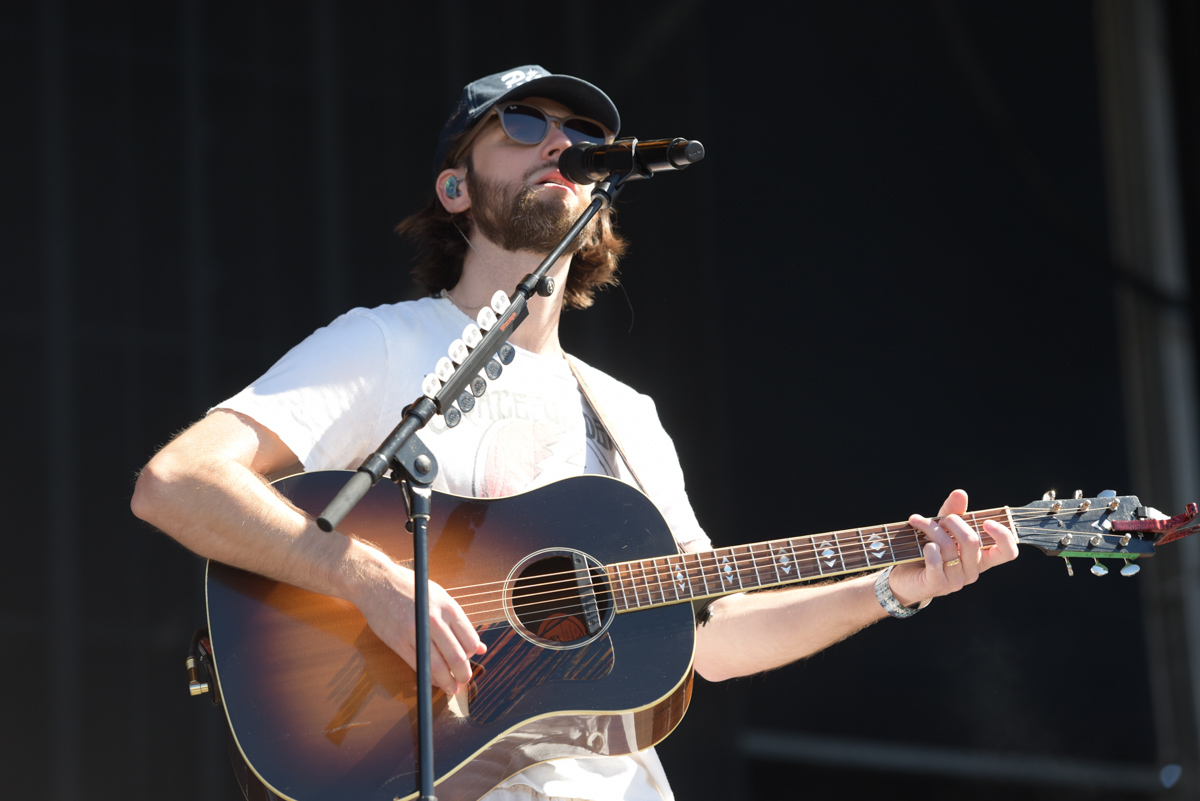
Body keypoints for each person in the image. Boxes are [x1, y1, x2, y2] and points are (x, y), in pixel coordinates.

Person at [131, 65, 1019, 801]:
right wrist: (364, 576)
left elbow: (712, 635)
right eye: (523, 125)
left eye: (581, 133)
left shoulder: (626, 414)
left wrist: (892, 586)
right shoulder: (387, 344)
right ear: (455, 188)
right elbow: (177, 482)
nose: (560, 144)